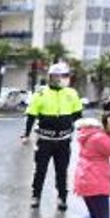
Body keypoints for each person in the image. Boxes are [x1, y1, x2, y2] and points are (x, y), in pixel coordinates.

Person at [22, 62, 83, 210]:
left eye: (64, 76)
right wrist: (26, 134)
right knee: (40, 170)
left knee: (62, 171)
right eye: (58, 76)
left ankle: (62, 198)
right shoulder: (40, 94)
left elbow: (78, 116)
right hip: (45, 140)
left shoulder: (71, 94)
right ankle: (36, 196)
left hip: (63, 140)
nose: (61, 79)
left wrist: (78, 131)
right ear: (51, 77)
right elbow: (31, 115)